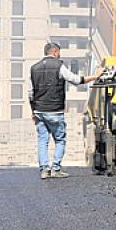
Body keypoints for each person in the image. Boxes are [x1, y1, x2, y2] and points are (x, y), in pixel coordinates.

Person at [29, 43, 103, 179]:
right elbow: (76, 80)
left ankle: (44, 170)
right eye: (59, 53)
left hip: (39, 111)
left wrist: (33, 111)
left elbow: (30, 92)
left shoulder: (34, 68)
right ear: (55, 52)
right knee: (60, 140)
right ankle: (56, 168)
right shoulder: (59, 66)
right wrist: (95, 76)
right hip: (55, 111)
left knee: (42, 141)